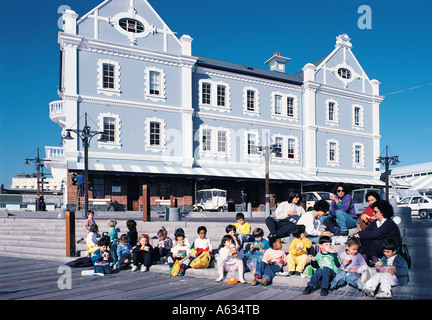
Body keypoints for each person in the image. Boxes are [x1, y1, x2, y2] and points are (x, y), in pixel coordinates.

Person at [354, 200, 402, 265]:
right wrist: (357, 235)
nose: (373, 213)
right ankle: (365, 258)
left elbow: (374, 234)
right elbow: (366, 230)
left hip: (389, 247)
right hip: (381, 245)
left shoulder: (388, 223)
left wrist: (359, 235)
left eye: (375, 212)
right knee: (363, 238)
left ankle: (374, 259)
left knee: (368, 238)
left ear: (382, 212)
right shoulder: (376, 222)